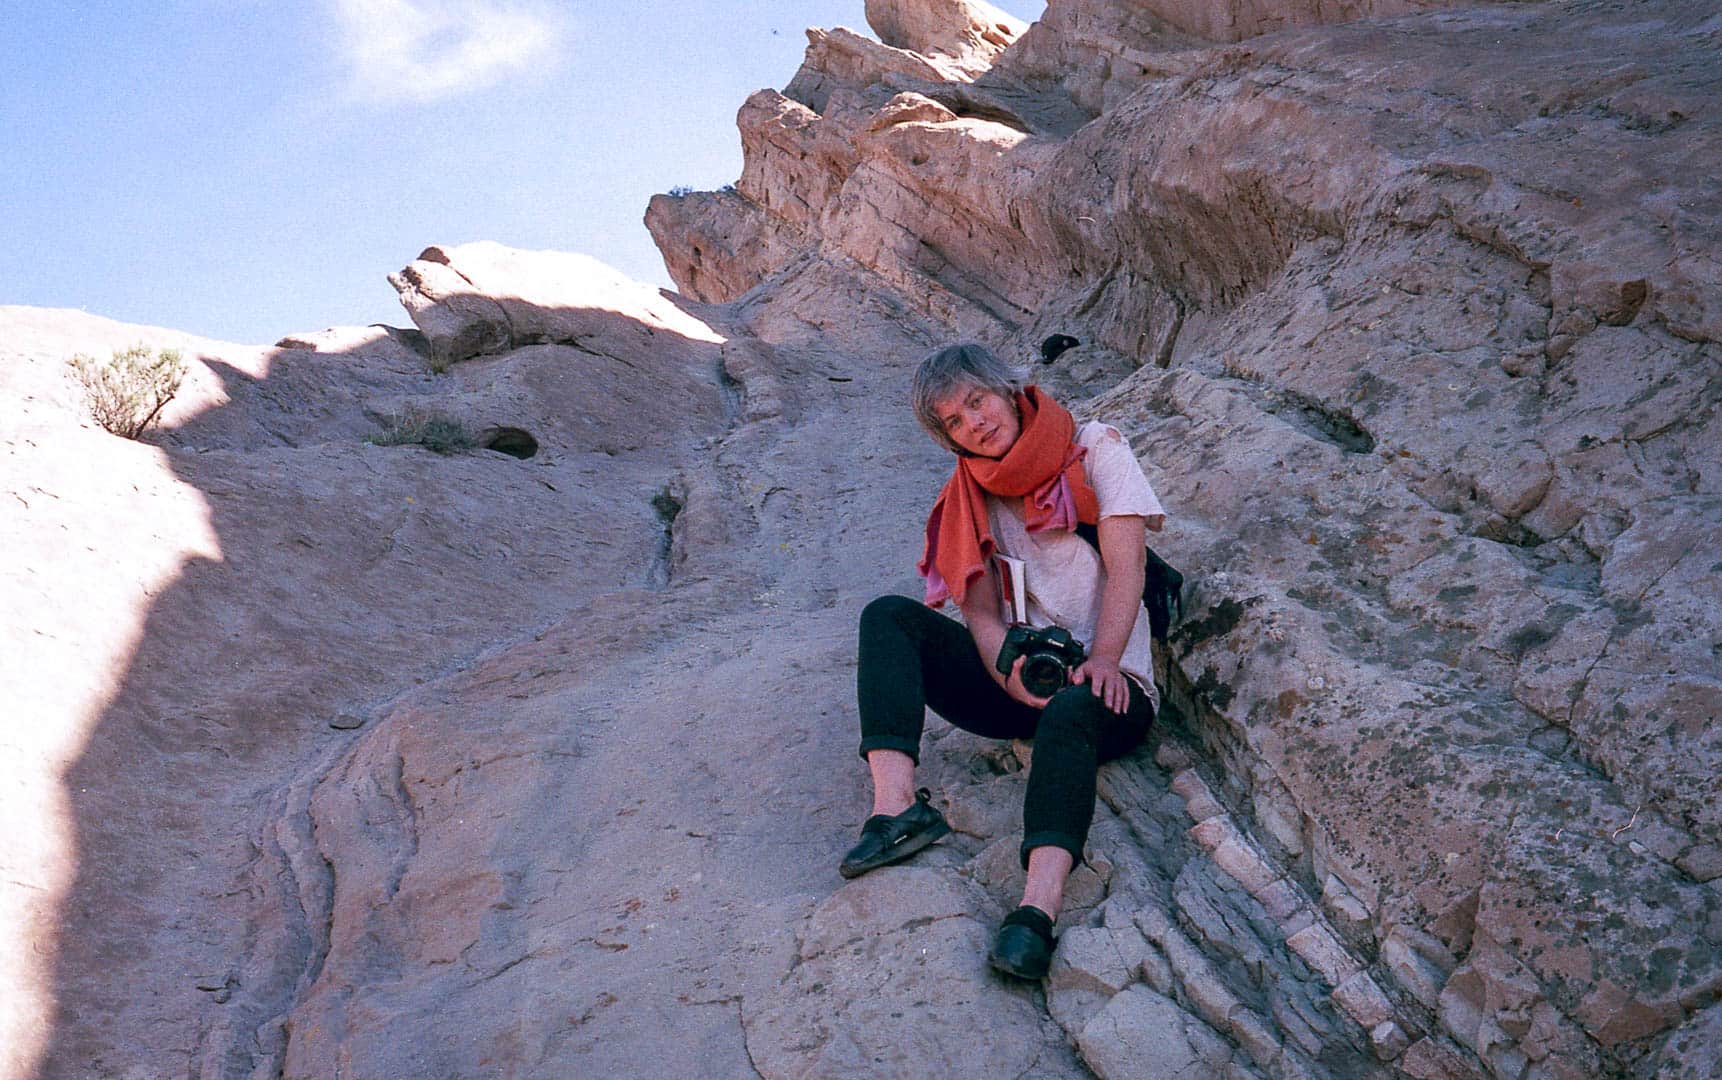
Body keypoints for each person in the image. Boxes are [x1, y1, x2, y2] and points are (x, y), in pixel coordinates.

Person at [840, 342, 1167, 979]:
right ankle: (896, 809)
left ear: (1008, 389)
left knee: (1076, 706)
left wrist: (1103, 659)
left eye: (977, 401)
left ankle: (1035, 912)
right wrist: (1006, 674)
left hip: (1111, 691)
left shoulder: (1095, 446)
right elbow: (983, 614)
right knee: (887, 617)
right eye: (954, 422)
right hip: (1026, 688)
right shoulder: (968, 496)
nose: (975, 424)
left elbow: (1129, 567)